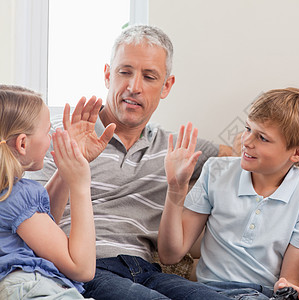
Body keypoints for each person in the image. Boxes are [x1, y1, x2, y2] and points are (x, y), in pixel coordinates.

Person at [27, 25, 233, 299]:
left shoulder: (174, 148)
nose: (134, 87)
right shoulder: (60, 136)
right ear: (107, 75)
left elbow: (240, 155)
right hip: (84, 270)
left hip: (146, 271)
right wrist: (71, 164)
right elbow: (36, 221)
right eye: (125, 72)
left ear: (166, 86)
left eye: (149, 76)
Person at [158, 88, 299, 299]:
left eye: (262, 138)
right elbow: (169, 255)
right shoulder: (216, 171)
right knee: (161, 284)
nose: (246, 141)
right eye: (248, 129)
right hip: (204, 291)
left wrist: (289, 290)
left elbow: (290, 278)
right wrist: (175, 191)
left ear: (298, 152)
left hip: (257, 294)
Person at [0, 85, 95, 298]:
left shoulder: (6, 194)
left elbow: (43, 230)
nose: (51, 137)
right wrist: (80, 186)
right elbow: (82, 268)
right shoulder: (17, 195)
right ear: (23, 143)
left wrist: (64, 172)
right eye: (47, 131)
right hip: (32, 287)